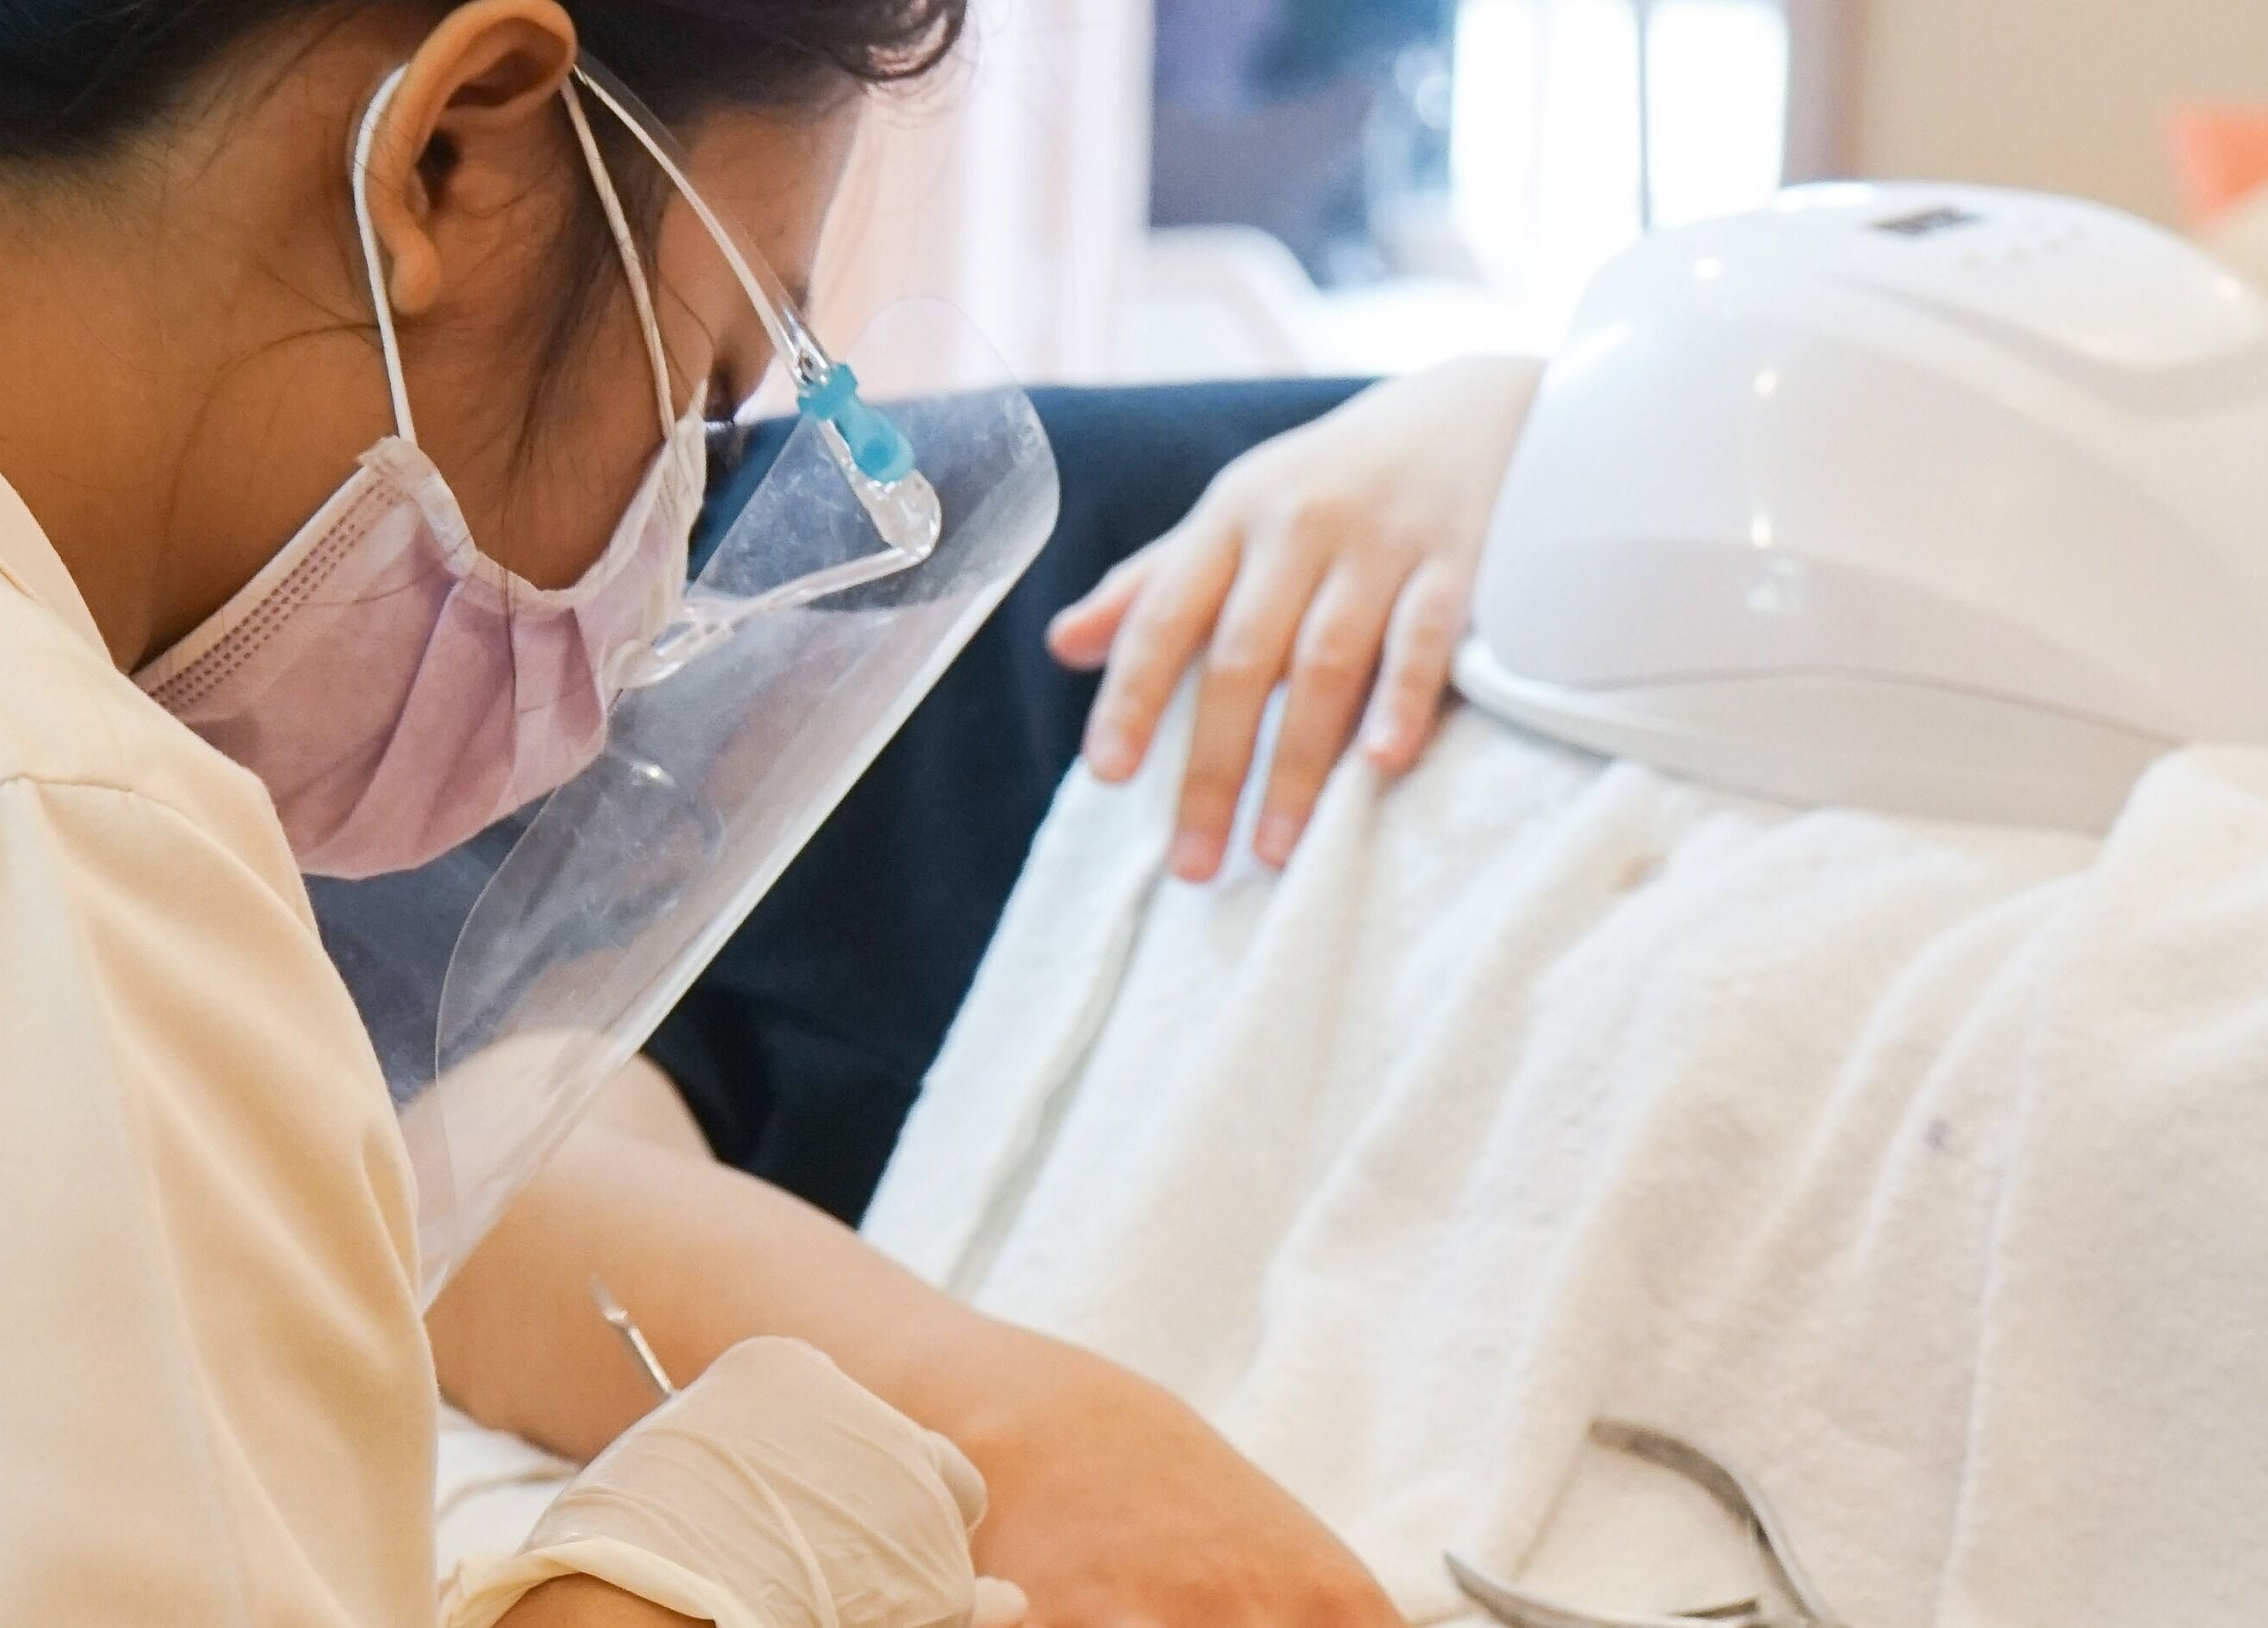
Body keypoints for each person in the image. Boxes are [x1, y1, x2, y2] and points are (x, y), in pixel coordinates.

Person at [0, 3, 1413, 1622]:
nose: (661, 579)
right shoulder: (74, 846)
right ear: (455, 156)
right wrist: (754, 1537)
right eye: (704, 389)